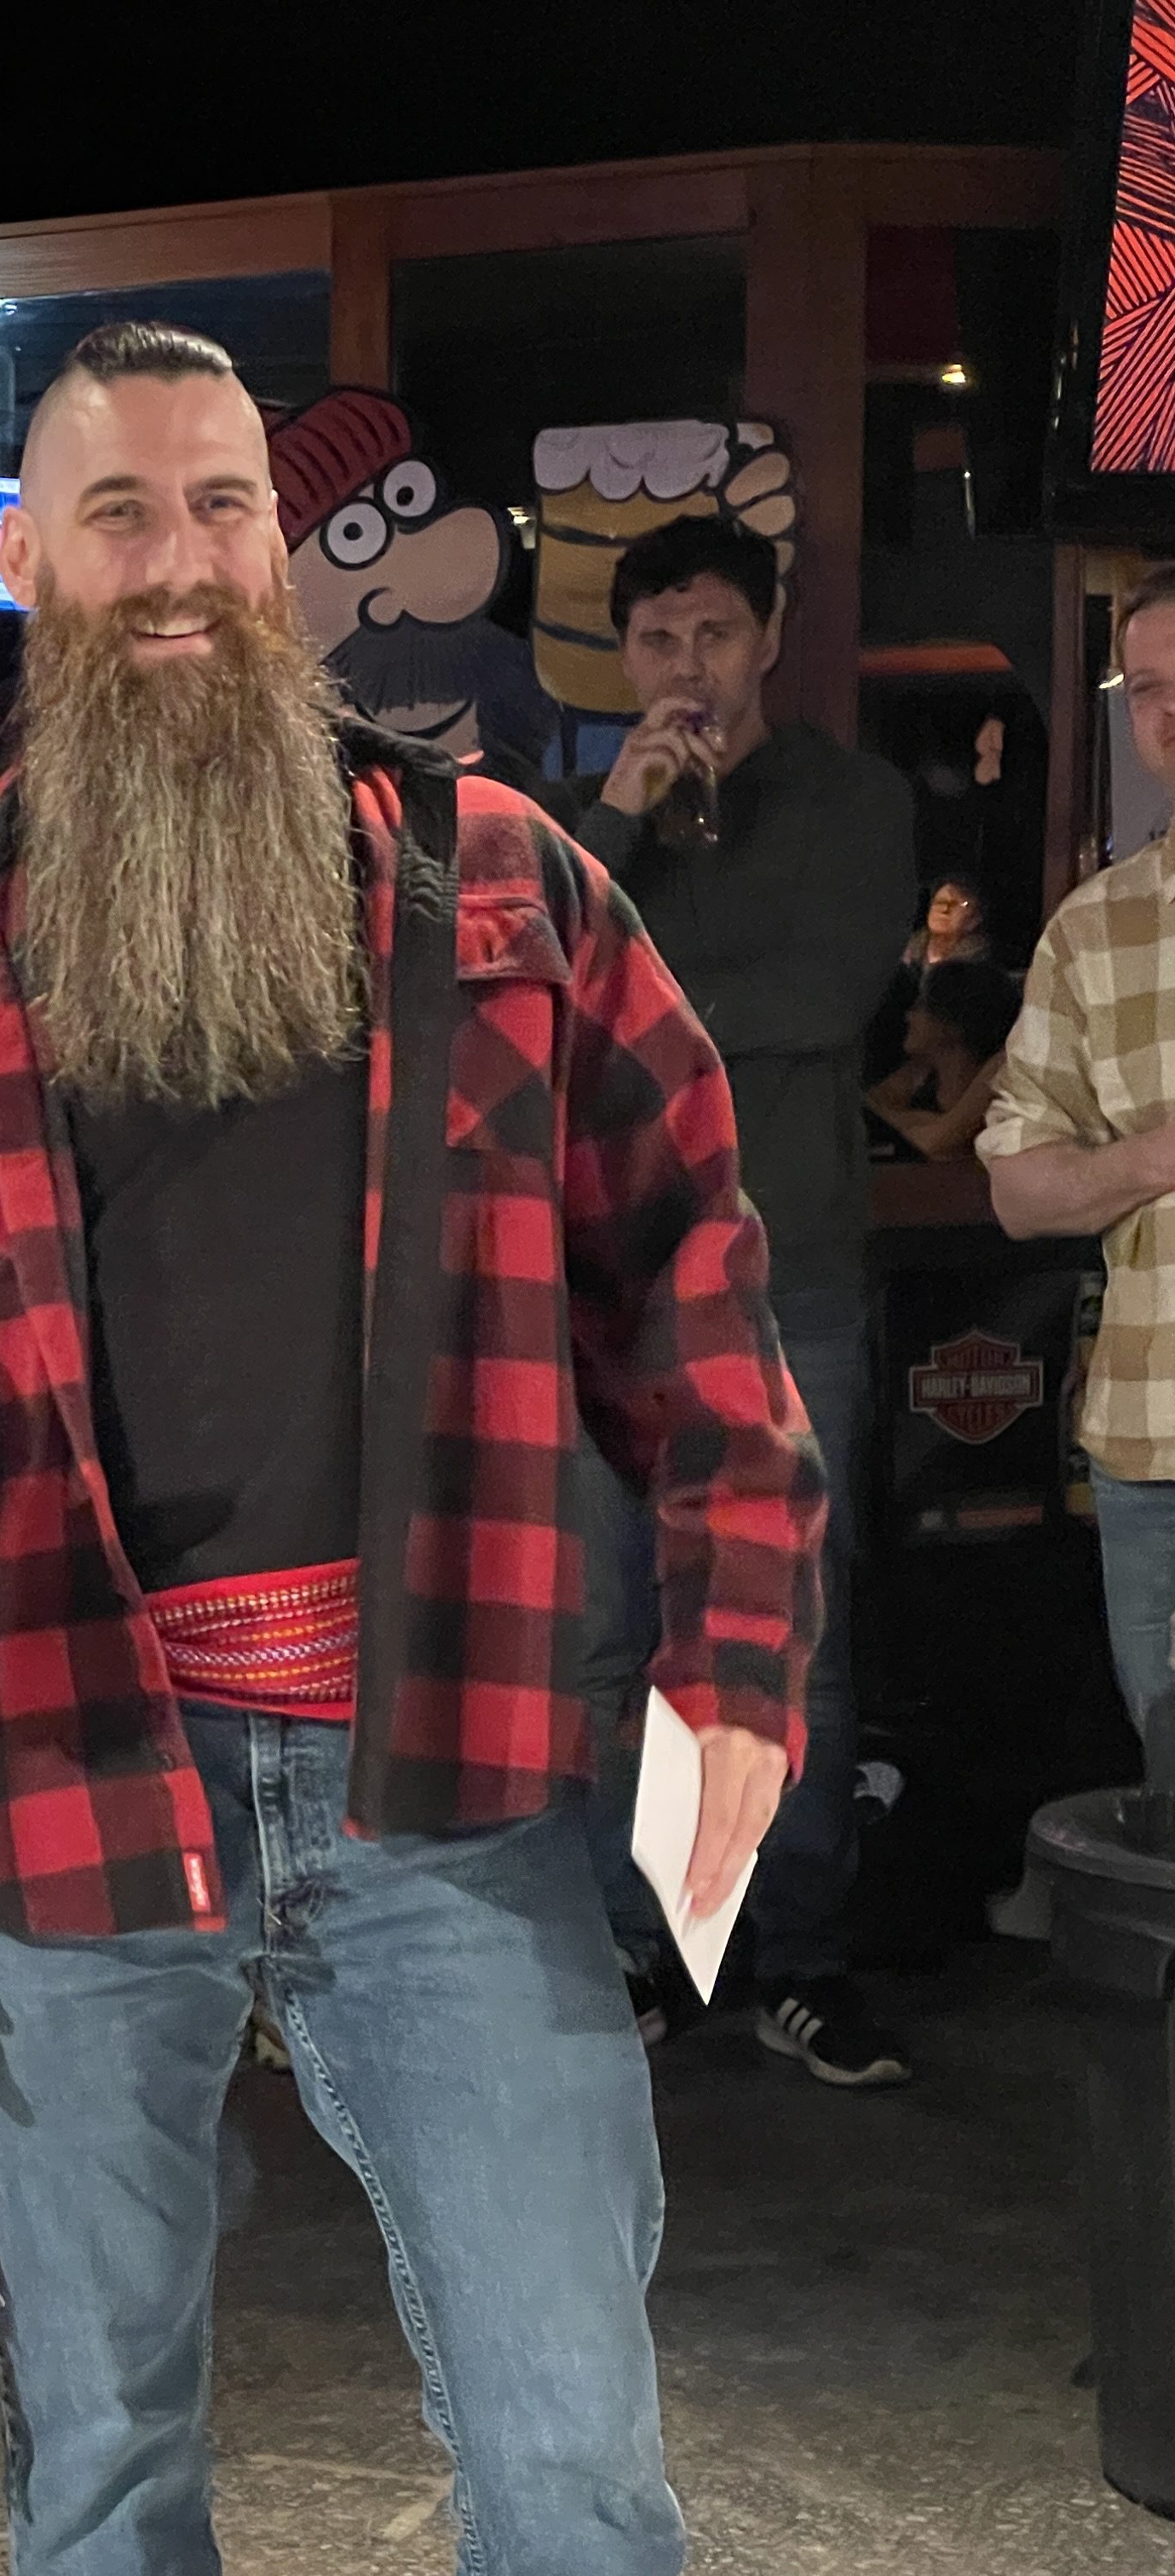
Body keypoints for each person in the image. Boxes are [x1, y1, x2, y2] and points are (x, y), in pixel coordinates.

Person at [0, 320, 823, 2576]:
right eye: (119, 512)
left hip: (449, 1771)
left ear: (289, 553)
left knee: (576, 2454)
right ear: (27, 556)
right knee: (103, 2468)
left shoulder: (510, 888)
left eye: (224, 507)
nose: (179, 562)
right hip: (51, 1785)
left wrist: (741, 1646)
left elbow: (697, 1284)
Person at [549, 510, 914, 2087]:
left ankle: (800, 1956)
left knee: (790, 1636)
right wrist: (618, 819)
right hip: (615, 1288)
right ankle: (635, 1943)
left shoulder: (852, 800)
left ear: (766, 632)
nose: (681, 665)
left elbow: (820, 998)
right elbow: (528, 988)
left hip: (789, 1277)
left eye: (708, 631)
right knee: (609, 1631)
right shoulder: (587, 820)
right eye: (652, 640)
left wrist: (637, 1012)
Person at [984, 561, 1175, 1788]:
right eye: (1151, 689)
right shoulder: (1095, 927)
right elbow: (1016, 1189)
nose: (1172, 715)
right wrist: (1160, 1156)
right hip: (1152, 1445)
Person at [867, 957, 1018, 1161]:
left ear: (951, 1025)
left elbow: (931, 1143)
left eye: (921, 1006)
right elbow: (869, 1108)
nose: (909, 1016)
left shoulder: (1000, 1076)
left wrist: (921, 1123)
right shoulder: (921, 1069)